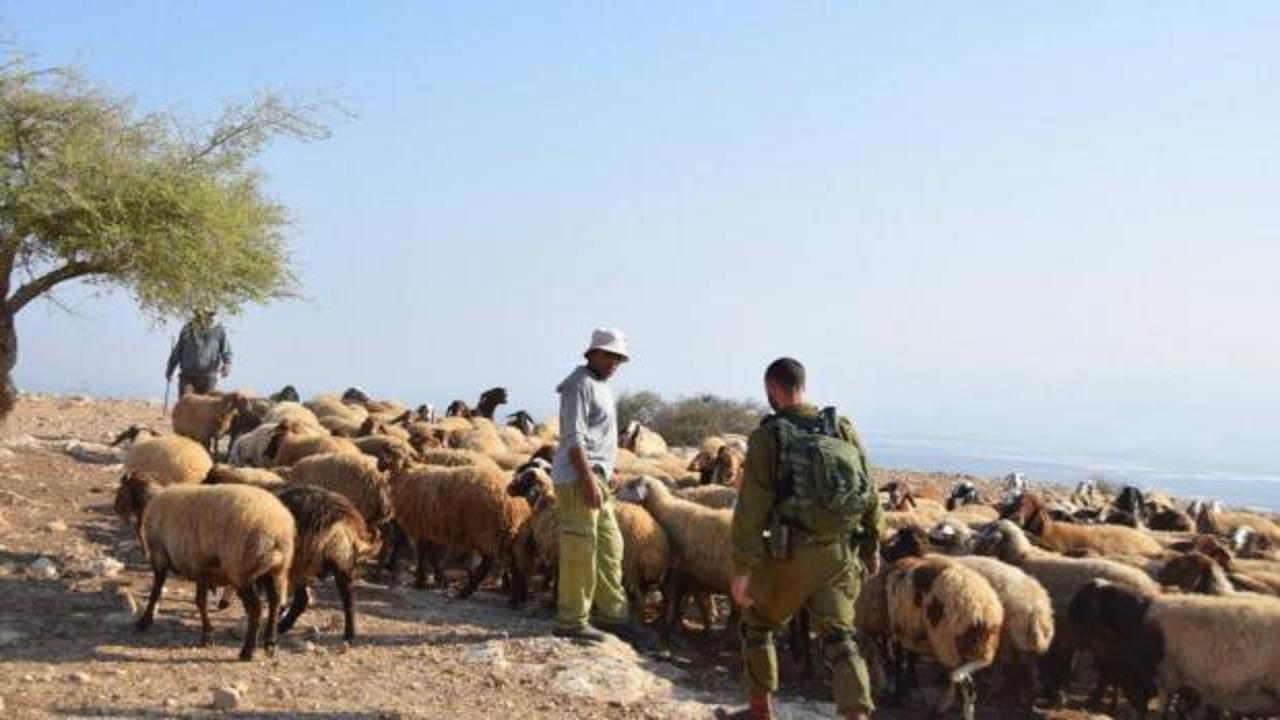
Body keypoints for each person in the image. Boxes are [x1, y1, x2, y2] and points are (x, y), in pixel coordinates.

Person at [725, 357, 883, 720]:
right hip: (840, 553)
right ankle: (856, 714)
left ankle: (759, 710)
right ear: (803, 386)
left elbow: (751, 509)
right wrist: (872, 547)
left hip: (789, 555)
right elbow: (870, 492)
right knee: (841, 638)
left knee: (757, 624)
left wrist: (741, 569)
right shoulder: (841, 428)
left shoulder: (769, 437)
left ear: (772, 390)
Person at [549, 327, 646, 646]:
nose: (614, 362)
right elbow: (573, 437)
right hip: (579, 479)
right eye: (608, 355)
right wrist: (588, 477)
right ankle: (572, 620)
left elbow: (598, 436)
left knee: (610, 545)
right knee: (581, 548)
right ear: (591, 353)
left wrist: (607, 470)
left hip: (598, 479)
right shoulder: (579, 385)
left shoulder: (600, 386)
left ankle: (612, 615)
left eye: (618, 357)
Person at [165, 308, 232, 396]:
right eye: (200, 315)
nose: (203, 317)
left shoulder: (219, 330)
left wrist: (227, 365)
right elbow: (177, 352)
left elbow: (226, 351)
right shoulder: (187, 329)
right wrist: (170, 370)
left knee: (206, 406)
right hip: (187, 376)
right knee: (185, 404)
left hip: (208, 377)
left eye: (207, 315)